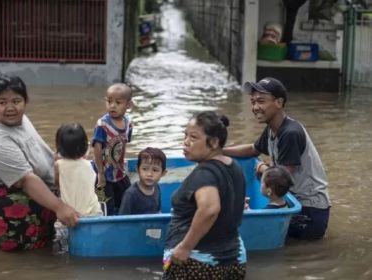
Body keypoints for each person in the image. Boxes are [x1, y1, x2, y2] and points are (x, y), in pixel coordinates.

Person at [0, 75, 79, 251]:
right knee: (31, 265)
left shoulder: (20, 119)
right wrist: (60, 207)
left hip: (39, 204)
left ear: (25, 101)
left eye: (16, 101)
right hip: (11, 219)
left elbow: (43, 155)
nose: (10, 108)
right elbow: (27, 180)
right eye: (2, 102)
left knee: (45, 256)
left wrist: (73, 165)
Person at [223, 77, 331, 240]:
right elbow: (253, 149)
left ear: (279, 102)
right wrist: (220, 151)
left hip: (309, 210)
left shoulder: (290, 133)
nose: (255, 107)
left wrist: (262, 168)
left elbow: (281, 179)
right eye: (253, 102)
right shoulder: (273, 129)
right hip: (293, 202)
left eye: (261, 101)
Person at [163, 111, 246, 280]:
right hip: (234, 258)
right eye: (185, 135)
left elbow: (209, 209)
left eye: (193, 138)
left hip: (198, 262)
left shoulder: (204, 173)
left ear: (214, 142)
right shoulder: (234, 167)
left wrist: (185, 247)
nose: (186, 142)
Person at [92, 83, 133, 215]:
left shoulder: (128, 123)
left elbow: (123, 145)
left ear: (128, 105)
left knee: (127, 199)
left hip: (119, 172)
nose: (112, 106)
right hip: (104, 172)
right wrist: (100, 173)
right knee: (106, 206)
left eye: (118, 102)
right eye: (109, 102)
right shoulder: (102, 125)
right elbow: (97, 149)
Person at [54, 123, 102, 216]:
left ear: (59, 147)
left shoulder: (59, 165)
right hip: (94, 212)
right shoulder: (89, 165)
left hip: (72, 215)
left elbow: (56, 184)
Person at [119, 147, 166, 215]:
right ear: (137, 170)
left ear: (163, 173)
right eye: (145, 169)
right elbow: (122, 220)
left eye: (155, 170)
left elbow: (158, 212)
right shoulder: (130, 194)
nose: (149, 174)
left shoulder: (156, 188)